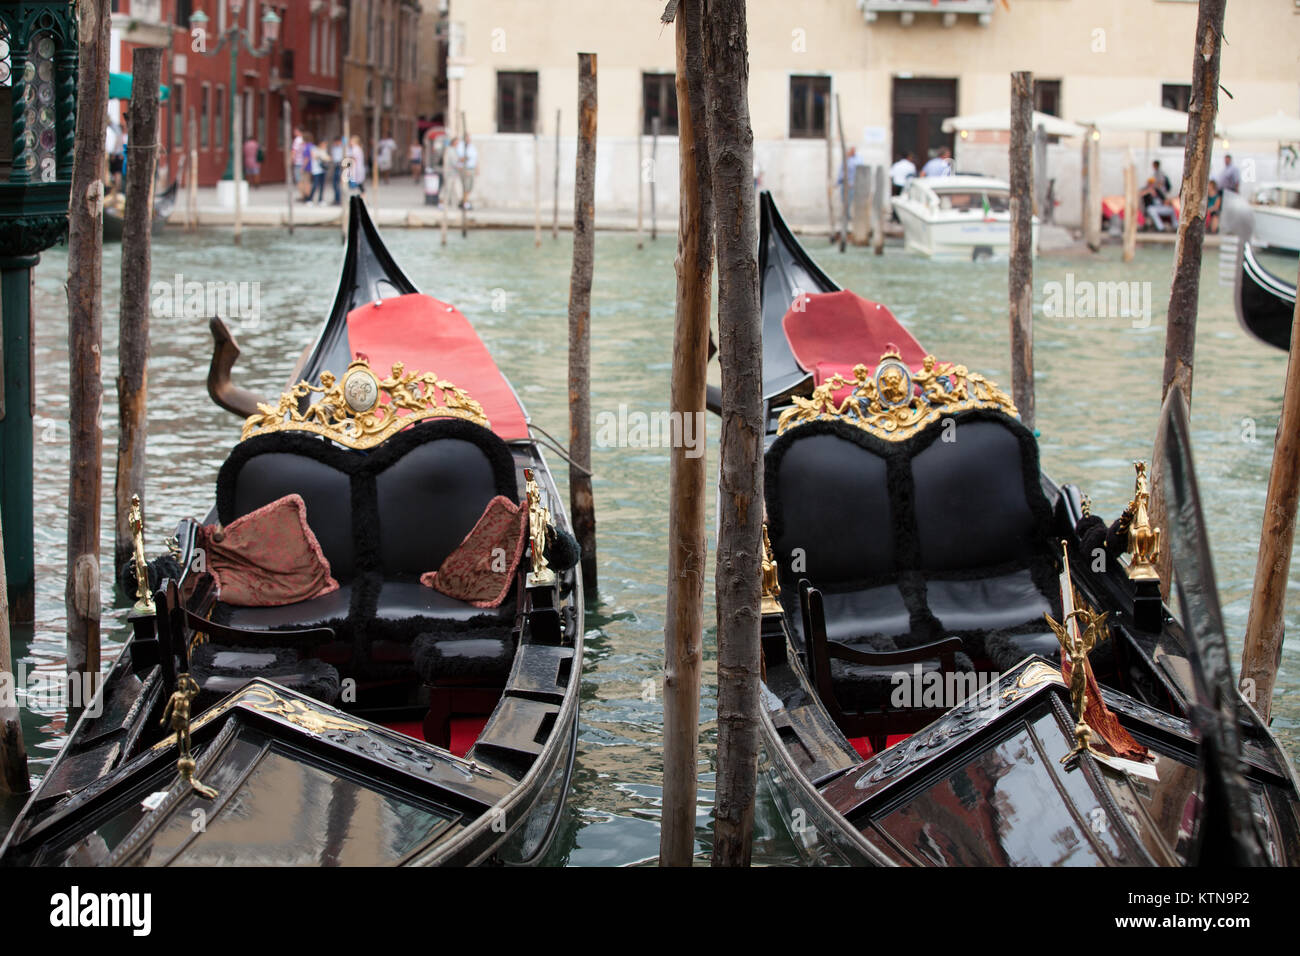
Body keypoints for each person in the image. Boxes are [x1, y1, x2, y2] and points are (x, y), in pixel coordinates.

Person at [456, 134, 478, 210]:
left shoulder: (471, 146)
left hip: (472, 168)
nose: (469, 139)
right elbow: (460, 158)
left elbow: (475, 158)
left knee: (470, 187)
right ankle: (465, 203)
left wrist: (476, 168)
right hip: (465, 169)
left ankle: (463, 201)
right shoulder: (461, 146)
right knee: (466, 186)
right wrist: (467, 159)